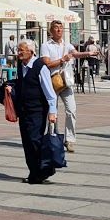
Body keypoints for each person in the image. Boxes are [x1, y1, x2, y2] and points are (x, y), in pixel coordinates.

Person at [1, 39, 59, 184]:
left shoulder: (41, 67)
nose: (18, 53)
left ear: (31, 52)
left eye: (22, 50)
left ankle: (44, 170)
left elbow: (49, 92)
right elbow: (22, 85)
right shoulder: (21, 66)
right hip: (24, 110)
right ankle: (34, 172)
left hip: (37, 110)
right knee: (27, 142)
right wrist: (12, 90)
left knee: (35, 140)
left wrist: (53, 111)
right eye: (18, 50)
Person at [39, 20, 79, 152]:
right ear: (51, 30)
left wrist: (89, 54)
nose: (59, 30)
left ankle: (70, 139)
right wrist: (62, 60)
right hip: (52, 82)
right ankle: (53, 136)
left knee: (71, 110)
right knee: (52, 111)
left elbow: (76, 53)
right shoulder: (46, 45)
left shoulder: (67, 45)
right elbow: (47, 64)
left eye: (61, 28)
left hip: (66, 82)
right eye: (56, 28)